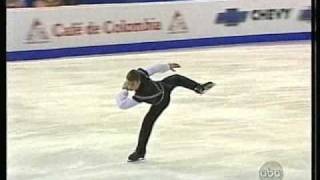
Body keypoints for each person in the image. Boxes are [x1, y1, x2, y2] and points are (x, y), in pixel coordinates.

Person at [116, 63, 215, 162]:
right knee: (147, 123)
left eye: (133, 84)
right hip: (161, 92)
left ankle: (198, 87)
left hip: (162, 98)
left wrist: (124, 90)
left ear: (139, 81)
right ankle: (140, 152)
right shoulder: (140, 78)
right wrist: (167, 66)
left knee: (176, 78)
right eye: (129, 83)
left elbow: (123, 104)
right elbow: (153, 68)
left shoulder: (144, 93)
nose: (130, 86)